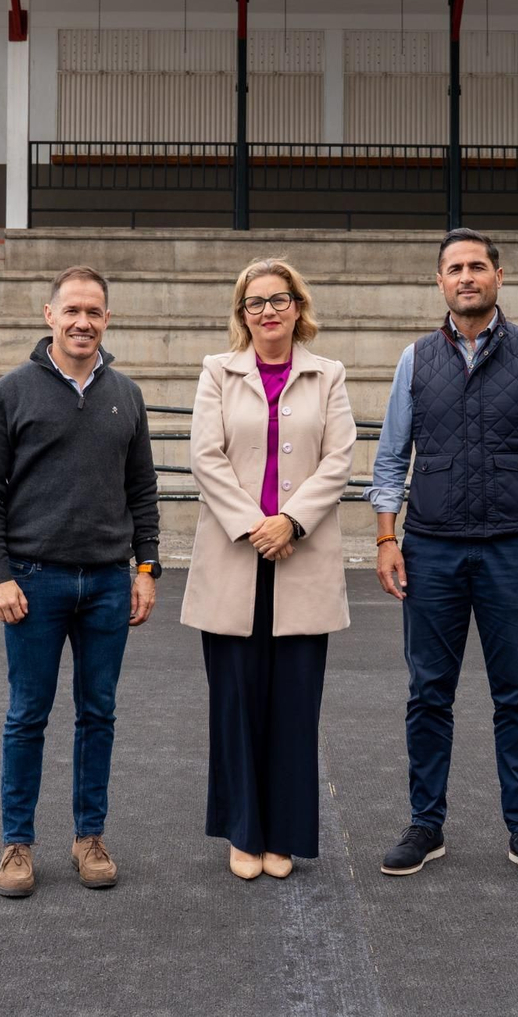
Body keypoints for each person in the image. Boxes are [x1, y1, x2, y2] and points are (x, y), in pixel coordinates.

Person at [367, 228, 518, 885]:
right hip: (430, 549)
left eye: (477, 266)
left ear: (498, 275)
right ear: (440, 281)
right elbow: (390, 457)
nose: (466, 276)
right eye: (454, 268)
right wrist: (385, 538)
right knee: (427, 694)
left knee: (516, 695)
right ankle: (424, 825)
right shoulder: (414, 359)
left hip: (513, 549)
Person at [0, 265, 162, 898]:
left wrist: (146, 568)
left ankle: (89, 838)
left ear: (107, 319)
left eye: (94, 312)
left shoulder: (126, 394)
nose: (83, 322)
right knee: (27, 715)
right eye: (72, 310)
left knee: (98, 713)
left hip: (107, 582)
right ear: (49, 315)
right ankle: (17, 844)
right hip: (33, 583)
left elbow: (142, 491)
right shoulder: (11, 392)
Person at [184, 258, 357, 881]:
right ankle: (243, 832)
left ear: (297, 305)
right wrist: (254, 525)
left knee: (294, 707)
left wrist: (291, 522)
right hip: (233, 558)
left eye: (278, 299)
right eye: (255, 303)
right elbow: (205, 457)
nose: (268, 311)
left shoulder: (328, 375)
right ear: (243, 314)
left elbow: (339, 459)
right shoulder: (217, 371)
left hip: (300, 558)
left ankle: (283, 834)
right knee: (235, 703)